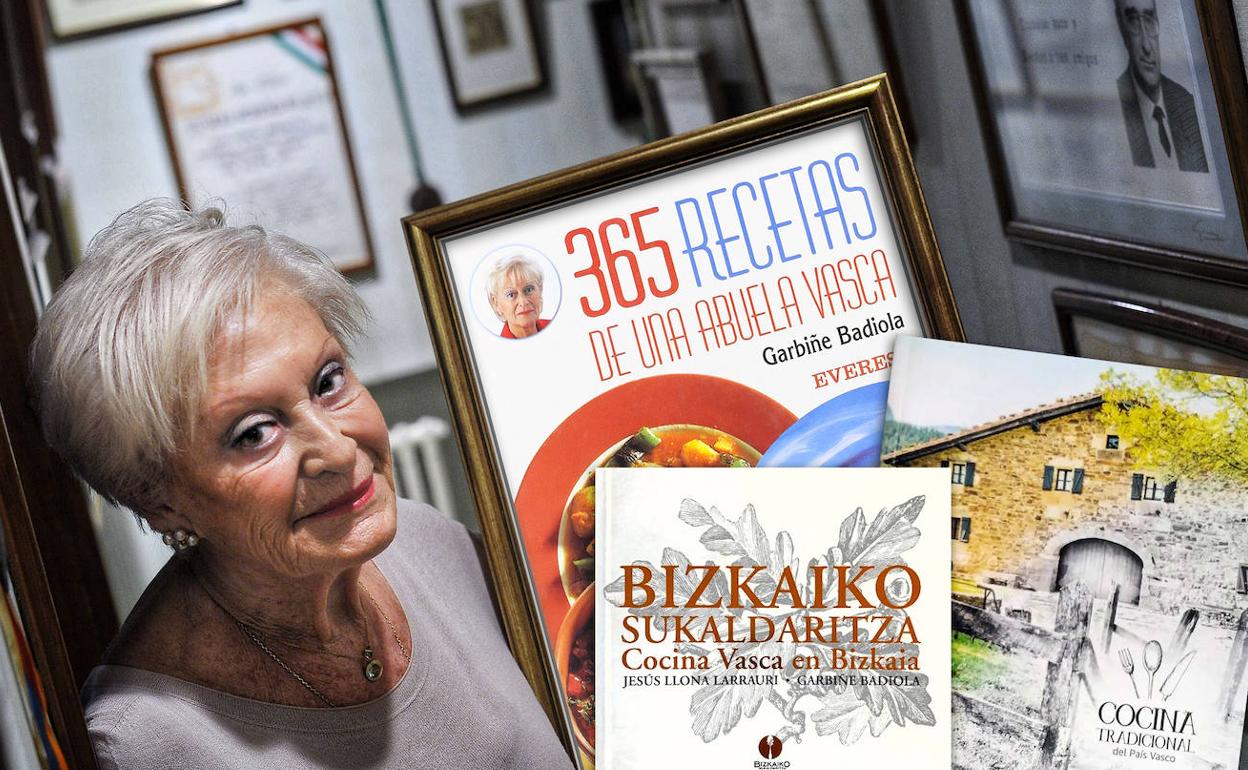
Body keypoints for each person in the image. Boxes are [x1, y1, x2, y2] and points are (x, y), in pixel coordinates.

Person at [29, 200, 573, 770]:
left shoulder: (430, 540)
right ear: (155, 497)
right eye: (254, 432)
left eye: (329, 381)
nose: (337, 449)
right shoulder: (145, 743)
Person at [1114, 0, 1208, 172]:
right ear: (1122, 29)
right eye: (1134, 21)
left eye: (1149, 21)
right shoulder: (1113, 104)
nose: (1147, 46)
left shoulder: (1187, 104)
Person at [486, 253, 550, 338]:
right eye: (511, 295)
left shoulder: (559, 328)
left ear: (540, 289)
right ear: (496, 303)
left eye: (529, 289)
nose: (523, 302)